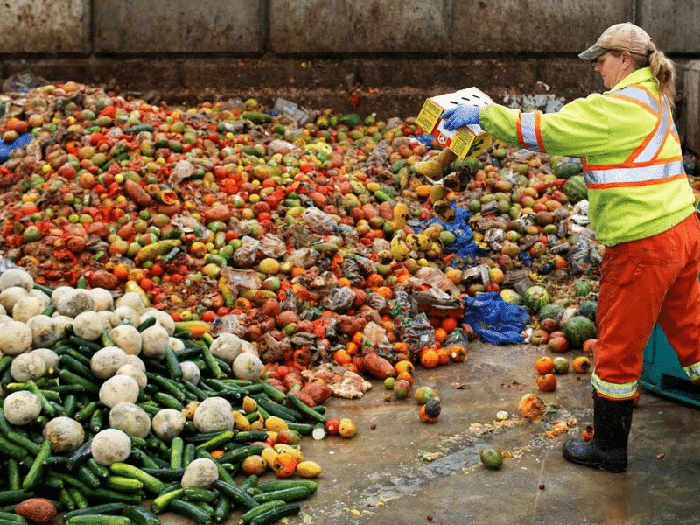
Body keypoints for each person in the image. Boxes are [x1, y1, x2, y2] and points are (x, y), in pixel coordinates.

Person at [441, 22, 700, 473]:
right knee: (691, 330)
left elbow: (550, 131)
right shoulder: (652, 95)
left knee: (618, 348)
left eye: (601, 59)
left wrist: (485, 116)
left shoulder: (617, 107)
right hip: (681, 228)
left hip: (643, 244)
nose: (596, 67)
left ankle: (608, 450)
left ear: (625, 60)